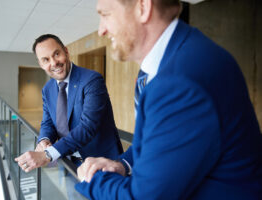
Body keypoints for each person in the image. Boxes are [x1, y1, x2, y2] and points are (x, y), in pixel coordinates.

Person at [75, 0, 262, 199]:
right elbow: (155, 141)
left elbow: (145, 196)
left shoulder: (179, 81)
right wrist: (121, 165)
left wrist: (92, 179)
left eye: (105, 14)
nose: (101, 30)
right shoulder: (162, 67)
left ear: (143, 8)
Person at [15, 34, 123, 172]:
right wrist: (44, 140)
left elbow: (87, 127)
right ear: (41, 64)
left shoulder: (92, 80)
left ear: (66, 51)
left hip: (101, 163)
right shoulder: (47, 90)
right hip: (68, 164)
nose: (54, 63)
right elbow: (48, 122)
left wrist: (47, 154)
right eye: (46, 59)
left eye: (56, 54)